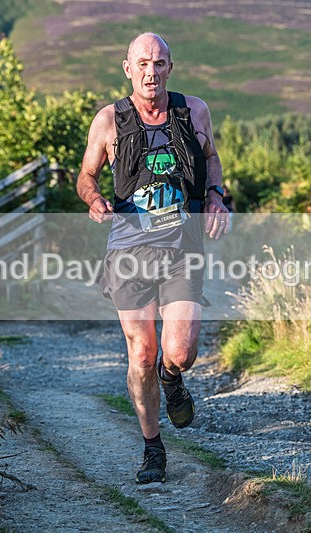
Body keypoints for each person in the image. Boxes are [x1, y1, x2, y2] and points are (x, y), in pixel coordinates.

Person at [76, 32, 229, 484]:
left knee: (179, 352)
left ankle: (172, 378)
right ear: (127, 68)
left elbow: (212, 158)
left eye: (159, 63)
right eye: (142, 63)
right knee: (141, 351)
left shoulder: (193, 110)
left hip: (183, 246)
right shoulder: (108, 120)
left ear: (170, 68)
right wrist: (93, 198)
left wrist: (216, 196)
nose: (151, 71)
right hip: (128, 249)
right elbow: (86, 175)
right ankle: (153, 450)